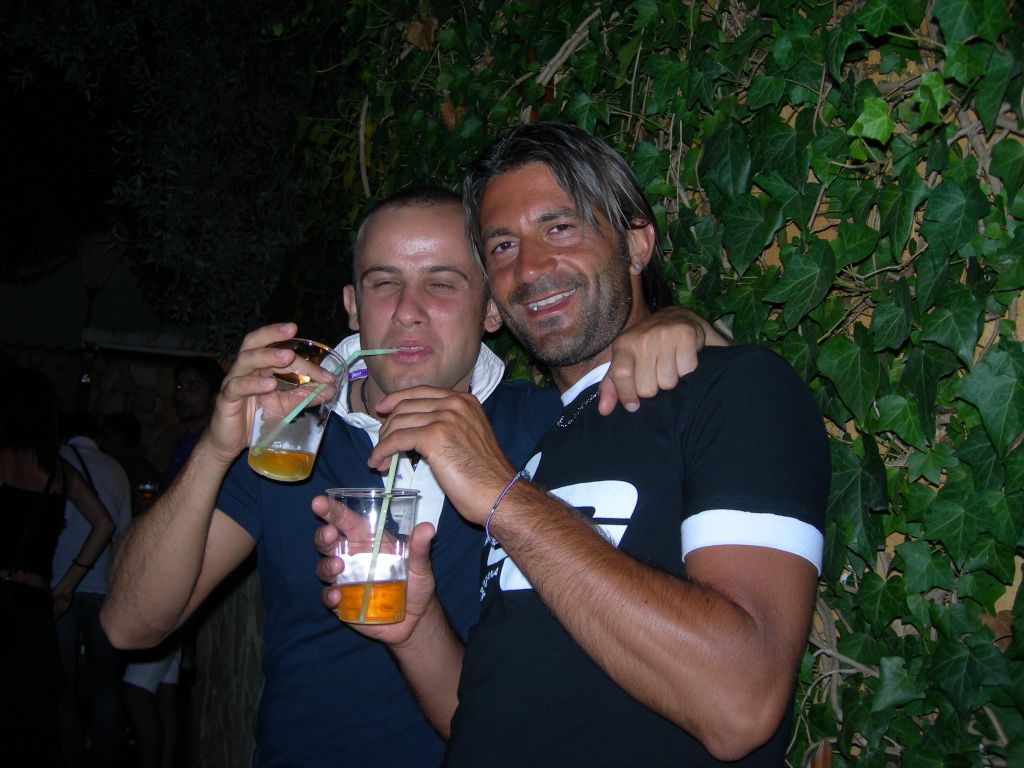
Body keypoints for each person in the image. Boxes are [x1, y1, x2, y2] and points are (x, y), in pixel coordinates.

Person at [101, 186, 724, 766]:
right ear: (353, 306)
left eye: (443, 284)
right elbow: (129, 625)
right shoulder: (292, 436)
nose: (407, 312)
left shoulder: (544, 427)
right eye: (384, 283)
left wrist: (692, 329)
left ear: (490, 310)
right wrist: (215, 450)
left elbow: (705, 402)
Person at [316, 124, 830, 767]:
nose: (528, 267)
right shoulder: (537, 448)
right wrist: (414, 628)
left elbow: (741, 705)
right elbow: (487, 716)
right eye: (502, 246)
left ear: (637, 243)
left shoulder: (737, 390)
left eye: (559, 228)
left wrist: (503, 498)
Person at [0, 369, 115, 768]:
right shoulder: (57, 472)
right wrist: (67, 584)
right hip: (34, 605)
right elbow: (104, 523)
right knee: (32, 719)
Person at [120, 356, 226, 768]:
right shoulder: (189, 444)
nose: (183, 395)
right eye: (180, 387)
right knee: (165, 690)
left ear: (215, 394)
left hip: (181, 581)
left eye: (194, 387)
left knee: (134, 690)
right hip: (180, 582)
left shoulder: (210, 447)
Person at [53, 412, 133, 768]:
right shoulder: (116, 470)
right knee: (106, 686)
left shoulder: (56, 462)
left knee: (63, 687)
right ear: (98, 438)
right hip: (102, 587)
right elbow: (123, 533)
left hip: (59, 584)